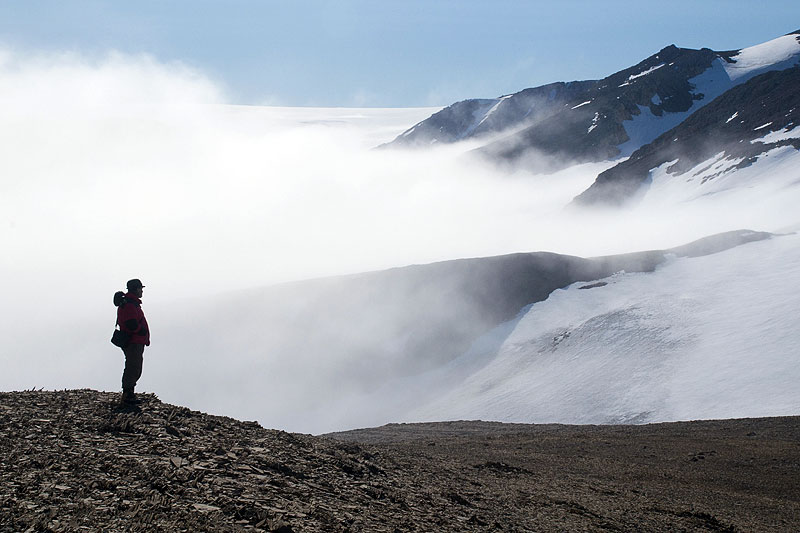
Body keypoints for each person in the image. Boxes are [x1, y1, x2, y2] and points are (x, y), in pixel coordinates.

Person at [117, 279, 150, 405]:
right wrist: (140, 330)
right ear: (136, 289)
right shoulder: (130, 304)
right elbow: (131, 323)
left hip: (134, 341)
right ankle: (128, 394)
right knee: (133, 367)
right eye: (140, 288)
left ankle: (129, 392)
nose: (142, 291)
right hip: (134, 341)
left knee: (133, 366)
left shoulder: (128, 303)